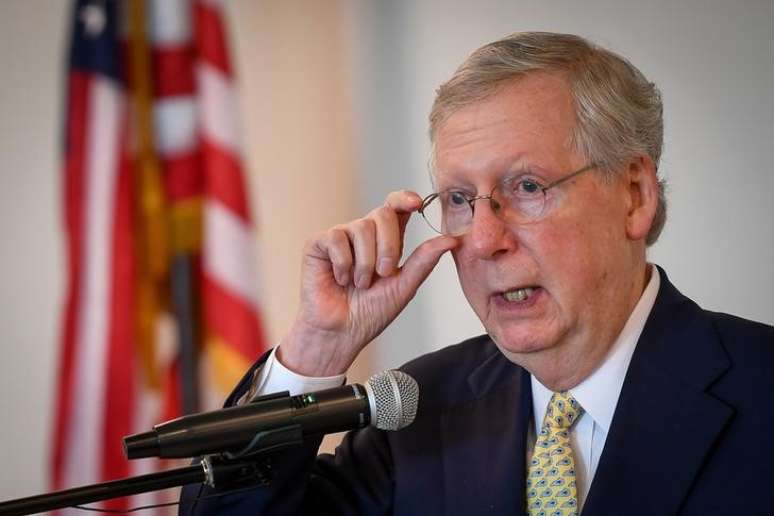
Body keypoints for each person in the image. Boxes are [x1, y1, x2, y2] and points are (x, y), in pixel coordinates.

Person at [181, 32, 774, 515]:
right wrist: (316, 350)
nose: (486, 240)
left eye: (527, 187)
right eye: (460, 199)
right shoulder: (418, 412)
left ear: (634, 194)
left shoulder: (760, 386)